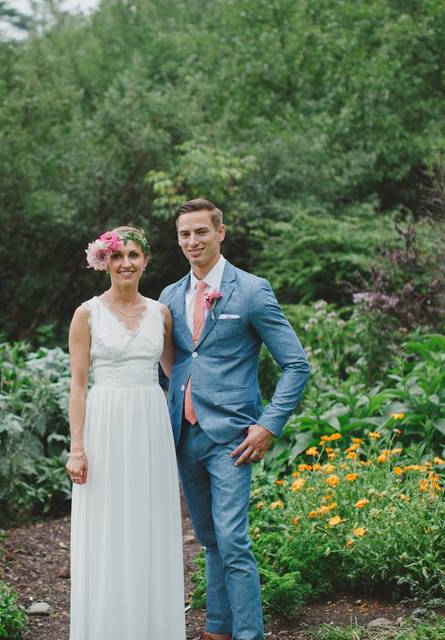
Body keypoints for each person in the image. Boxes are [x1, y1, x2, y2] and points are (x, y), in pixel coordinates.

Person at [158, 199, 311, 640]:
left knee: (233, 541)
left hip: (233, 438)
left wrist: (268, 425)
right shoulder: (169, 296)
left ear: (220, 233)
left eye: (201, 232)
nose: (192, 241)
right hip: (184, 435)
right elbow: (172, 363)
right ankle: (217, 630)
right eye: (185, 234)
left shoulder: (251, 290)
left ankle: (249, 634)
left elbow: (297, 365)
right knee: (209, 540)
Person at [67, 226, 186, 640]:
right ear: (105, 262)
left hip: (150, 424)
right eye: (118, 257)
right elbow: (78, 386)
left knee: (149, 519)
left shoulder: (161, 314)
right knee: (108, 523)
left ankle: (152, 626)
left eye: (134, 255)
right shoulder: (87, 314)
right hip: (106, 422)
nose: (126, 263)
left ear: (146, 261)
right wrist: (77, 449)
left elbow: (174, 372)